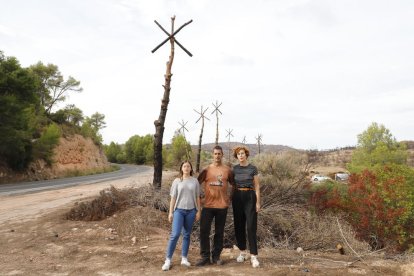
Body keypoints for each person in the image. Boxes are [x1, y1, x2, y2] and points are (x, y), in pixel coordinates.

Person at [195, 145, 234, 266]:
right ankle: (205, 257)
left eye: (219, 154)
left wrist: (229, 198)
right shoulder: (206, 170)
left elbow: (234, 185)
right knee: (204, 231)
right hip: (207, 206)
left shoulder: (227, 170)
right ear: (213, 155)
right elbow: (196, 183)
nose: (217, 156)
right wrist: (200, 198)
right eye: (215, 154)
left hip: (222, 206)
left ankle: (216, 256)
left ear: (222, 155)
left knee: (219, 232)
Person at [161, 161, 201, 271]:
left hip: (191, 211)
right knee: (175, 234)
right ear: (181, 168)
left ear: (191, 168)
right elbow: (173, 197)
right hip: (179, 211)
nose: (186, 168)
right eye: (184, 166)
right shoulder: (177, 181)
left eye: (188, 166)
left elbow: (198, 197)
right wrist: (170, 212)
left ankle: (184, 258)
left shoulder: (195, 181)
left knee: (187, 235)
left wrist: (198, 211)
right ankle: (168, 260)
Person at [232, 146, 261, 268]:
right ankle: (243, 252)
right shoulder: (234, 169)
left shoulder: (252, 168)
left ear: (246, 155)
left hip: (249, 196)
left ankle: (253, 255)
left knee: (250, 226)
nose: (241, 156)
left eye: (242, 153)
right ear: (237, 156)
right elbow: (232, 185)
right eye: (239, 154)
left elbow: (257, 186)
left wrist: (258, 202)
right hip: (237, 196)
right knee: (239, 225)